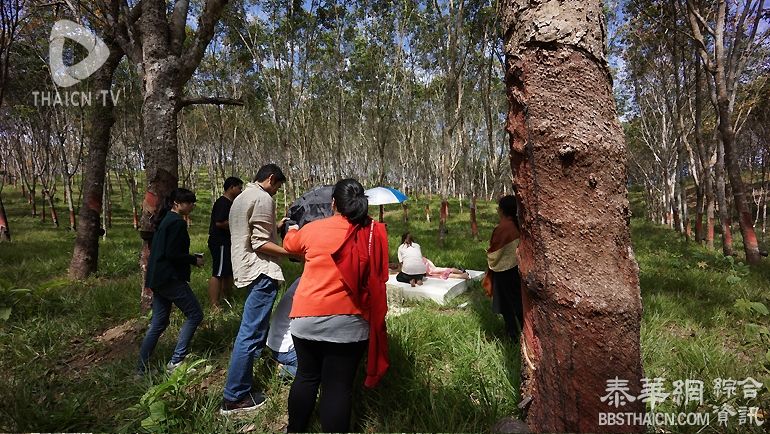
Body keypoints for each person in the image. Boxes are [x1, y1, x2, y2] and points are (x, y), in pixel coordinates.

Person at [283, 178, 389, 433]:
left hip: (307, 317)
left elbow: (289, 245)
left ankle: (295, 430)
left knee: (306, 377)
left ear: (333, 204)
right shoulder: (374, 232)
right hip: (350, 322)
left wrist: (292, 226)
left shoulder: (315, 229)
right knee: (338, 388)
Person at [220, 164, 294, 415]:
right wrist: (291, 253)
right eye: (277, 186)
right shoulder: (263, 197)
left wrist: (277, 225)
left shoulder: (242, 197)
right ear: (271, 179)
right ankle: (235, 396)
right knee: (251, 332)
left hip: (245, 268)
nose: (276, 191)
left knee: (254, 329)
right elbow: (260, 242)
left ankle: (249, 376)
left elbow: (250, 231)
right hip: (262, 270)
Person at [137, 188, 205, 375]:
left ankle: (140, 369)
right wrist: (193, 260)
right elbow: (173, 253)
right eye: (188, 202)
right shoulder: (176, 223)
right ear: (177, 203)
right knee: (195, 315)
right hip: (169, 278)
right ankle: (176, 362)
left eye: (192, 202)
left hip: (157, 278)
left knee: (159, 322)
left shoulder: (166, 220)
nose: (192, 205)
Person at [483, 195, 523, 339]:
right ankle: (525, 333)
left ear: (502, 210)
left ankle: (512, 336)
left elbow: (495, 250)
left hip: (504, 272)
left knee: (507, 306)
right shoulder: (519, 224)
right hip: (518, 270)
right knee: (519, 303)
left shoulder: (503, 228)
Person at [207, 176, 244, 311]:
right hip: (220, 242)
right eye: (239, 188)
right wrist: (239, 222)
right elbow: (219, 222)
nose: (240, 191)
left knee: (227, 272)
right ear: (231, 187)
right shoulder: (223, 203)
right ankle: (214, 304)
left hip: (227, 242)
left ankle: (226, 298)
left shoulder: (231, 203)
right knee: (218, 272)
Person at [267, 277, 300, 378]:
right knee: (317, 373)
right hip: (287, 348)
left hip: (277, 343)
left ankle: (276, 362)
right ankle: (282, 369)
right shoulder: (311, 285)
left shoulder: (301, 280)